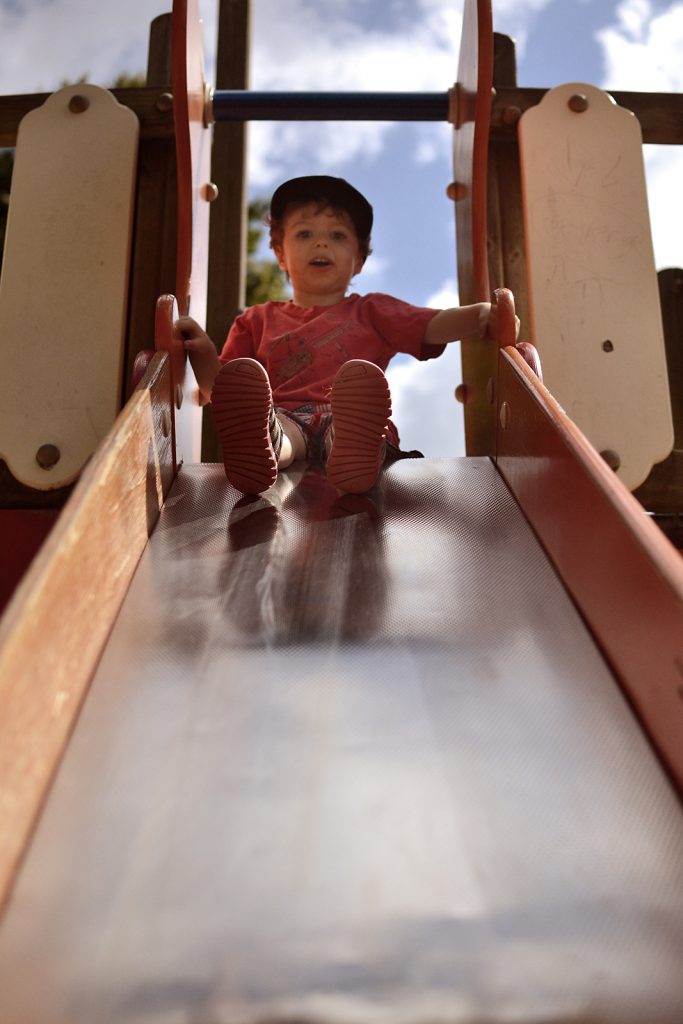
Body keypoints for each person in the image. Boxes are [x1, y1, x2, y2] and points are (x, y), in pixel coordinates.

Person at [180, 175, 510, 495]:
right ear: (280, 253)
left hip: (352, 419)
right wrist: (202, 351)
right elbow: (224, 391)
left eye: (338, 236)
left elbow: (433, 325)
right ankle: (263, 451)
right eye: (305, 233)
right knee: (278, 431)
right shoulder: (256, 320)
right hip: (283, 416)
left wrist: (482, 316)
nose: (322, 242)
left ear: (360, 261)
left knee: (351, 430)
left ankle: (354, 456)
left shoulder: (373, 311)